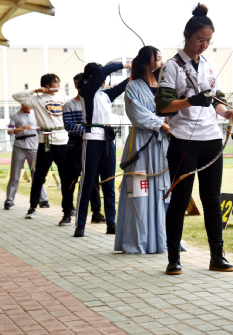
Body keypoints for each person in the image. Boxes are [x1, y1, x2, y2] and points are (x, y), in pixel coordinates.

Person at [155, 3, 233, 275]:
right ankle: (173, 258)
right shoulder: (171, 67)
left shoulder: (209, 65)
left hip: (212, 140)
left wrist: (228, 113)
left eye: (208, 41)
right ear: (187, 35)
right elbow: (163, 106)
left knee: (212, 199)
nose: (204, 45)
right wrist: (191, 100)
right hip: (183, 141)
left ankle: (217, 255)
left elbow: (217, 101)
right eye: (199, 40)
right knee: (180, 200)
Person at [115, 46, 171, 254]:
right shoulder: (133, 87)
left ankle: (164, 240)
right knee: (139, 192)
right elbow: (136, 114)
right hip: (141, 147)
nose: (162, 62)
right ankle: (138, 241)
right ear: (147, 63)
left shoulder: (168, 87)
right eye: (157, 59)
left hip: (164, 147)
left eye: (161, 58)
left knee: (163, 191)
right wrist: (162, 125)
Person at [74, 61, 131, 238]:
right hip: (91, 140)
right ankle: (80, 224)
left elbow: (124, 85)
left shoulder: (105, 95)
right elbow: (101, 73)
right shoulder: (87, 92)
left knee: (109, 183)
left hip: (107, 141)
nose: (105, 79)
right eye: (101, 76)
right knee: (87, 182)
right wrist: (124, 64)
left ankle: (111, 223)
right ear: (91, 77)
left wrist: (137, 70)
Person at [13, 74, 72, 221]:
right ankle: (32, 207)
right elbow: (16, 95)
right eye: (55, 82)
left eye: (59, 82)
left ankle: (68, 208)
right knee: (39, 176)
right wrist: (35, 90)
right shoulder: (37, 99)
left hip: (62, 141)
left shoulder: (63, 99)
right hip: (46, 141)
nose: (58, 85)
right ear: (47, 85)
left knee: (66, 177)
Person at [62, 73, 105, 226]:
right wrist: (88, 131)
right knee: (70, 180)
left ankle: (96, 213)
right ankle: (67, 213)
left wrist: (91, 131)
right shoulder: (70, 105)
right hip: (76, 147)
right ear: (77, 86)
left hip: (92, 146)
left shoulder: (96, 102)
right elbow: (69, 126)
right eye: (82, 85)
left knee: (93, 180)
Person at [4, 104, 49, 210]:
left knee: (37, 174)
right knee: (15, 174)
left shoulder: (36, 114)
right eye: (25, 103)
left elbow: (40, 130)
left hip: (33, 146)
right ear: (22, 104)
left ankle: (43, 199)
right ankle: (9, 200)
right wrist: (22, 128)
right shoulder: (15, 116)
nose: (28, 105)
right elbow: (10, 131)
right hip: (19, 146)